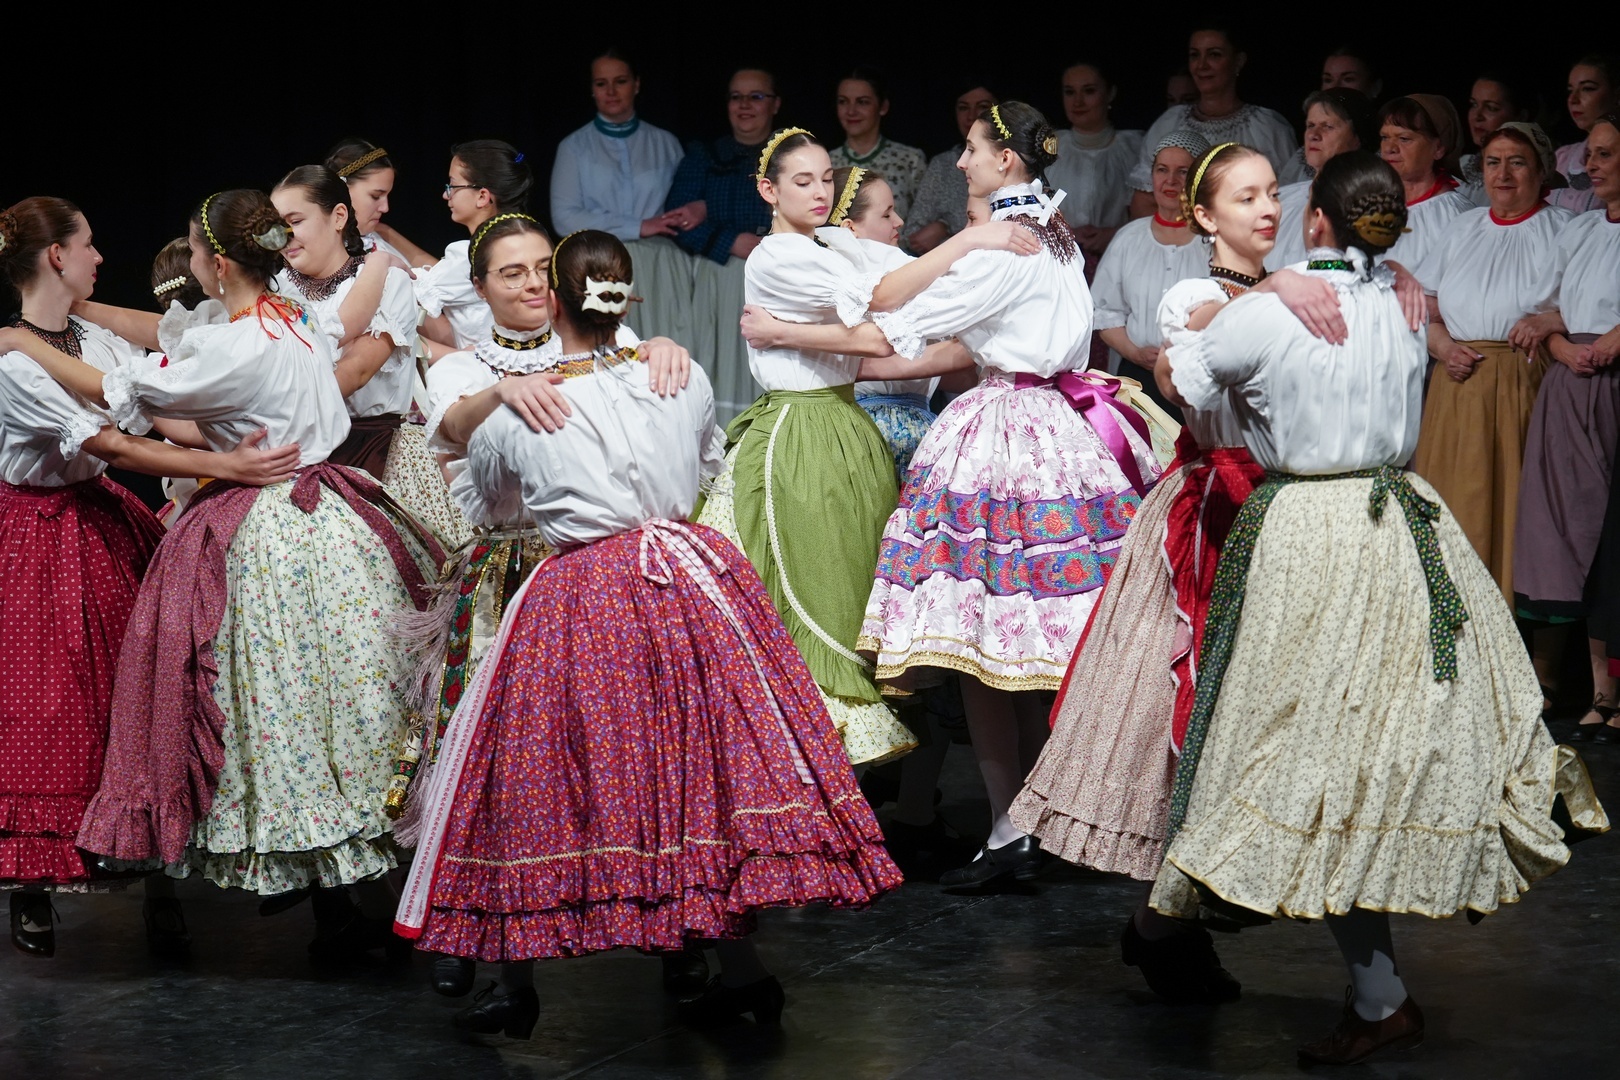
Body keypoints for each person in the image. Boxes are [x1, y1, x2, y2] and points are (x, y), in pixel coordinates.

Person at [1150, 149, 1605, 1067]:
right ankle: (1373, 988)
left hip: (1311, 533)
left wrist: (1260, 294)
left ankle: (1368, 987)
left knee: (1308, 751)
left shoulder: (1280, 310)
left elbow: (1182, 380)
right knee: (1363, 752)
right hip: (1400, 522)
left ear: (1316, 220)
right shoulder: (1407, 304)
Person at [394, 230, 902, 1036]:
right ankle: (740, 971)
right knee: (695, 770)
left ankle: (518, 977)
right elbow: (704, 466)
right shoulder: (680, 373)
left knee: (533, 771)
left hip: (584, 589)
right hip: (686, 577)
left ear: (557, 301)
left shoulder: (529, 410)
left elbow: (488, 503)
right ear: (622, 298)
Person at [1011, 143, 1408, 1002]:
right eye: (1243, 197)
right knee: (1196, 719)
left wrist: (1384, 277)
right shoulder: (1199, 293)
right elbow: (1189, 367)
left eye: (1271, 194)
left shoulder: (1303, 289)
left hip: (1291, 509)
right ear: (1204, 216)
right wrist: (1280, 288)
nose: (1265, 209)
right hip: (1216, 516)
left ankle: (1163, 925)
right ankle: (1173, 921)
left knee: (1273, 724)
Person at [17, 189, 443, 960]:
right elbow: (174, 406)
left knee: (276, 698)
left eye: (194, 252)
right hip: (337, 511)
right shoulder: (295, 318)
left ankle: (338, 887)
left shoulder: (232, 344)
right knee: (342, 691)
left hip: (270, 525)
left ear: (216, 263)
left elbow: (126, 395)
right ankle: (357, 890)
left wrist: (20, 344)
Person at [855, 103, 1164, 890]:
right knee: (1026, 651)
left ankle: (1010, 827)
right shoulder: (1054, 233)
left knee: (986, 645)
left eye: (971, 149)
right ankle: (1038, 818)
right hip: (1059, 426)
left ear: (1007, 160)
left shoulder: (1004, 243)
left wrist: (800, 336)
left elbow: (894, 313)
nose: (961, 163)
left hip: (1008, 433)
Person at [0, 197, 301, 958]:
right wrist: (224, 465)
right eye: (88, 244)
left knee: (138, 695)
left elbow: (156, 409)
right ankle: (33, 882)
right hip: (35, 535)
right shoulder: (12, 363)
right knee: (46, 702)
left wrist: (235, 437)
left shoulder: (90, 337)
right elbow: (114, 444)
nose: (100, 257)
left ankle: (157, 876)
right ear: (57, 256)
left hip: (101, 521)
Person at [697, 127, 1030, 768]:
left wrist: (787, 331)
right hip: (801, 430)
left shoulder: (832, 244)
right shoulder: (777, 256)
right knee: (809, 591)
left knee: (854, 592)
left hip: (847, 426)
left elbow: (903, 287)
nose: (820, 192)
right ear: (768, 190)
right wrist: (968, 238)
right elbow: (880, 328)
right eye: (802, 181)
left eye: (826, 178)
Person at [1412, 123, 1573, 604]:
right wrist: (1443, 347)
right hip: (1456, 384)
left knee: (1514, 506)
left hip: (1524, 380)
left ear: (1541, 171)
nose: (1503, 174)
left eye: (1517, 163)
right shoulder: (1464, 227)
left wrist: (1550, 321)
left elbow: (1593, 308)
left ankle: (1513, 622)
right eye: (1493, 163)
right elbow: (1425, 307)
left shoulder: (1564, 229)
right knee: (1456, 503)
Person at [270, 166, 468, 550]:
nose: (284, 236)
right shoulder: (274, 290)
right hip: (295, 452)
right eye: (276, 226)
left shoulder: (387, 280)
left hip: (375, 452)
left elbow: (356, 370)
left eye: (295, 221)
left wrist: (272, 404)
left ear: (338, 217)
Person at [1510, 114, 1620, 741]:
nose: (1591, 165)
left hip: (1612, 382)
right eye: (1592, 154)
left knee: (1613, 535)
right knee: (1574, 534)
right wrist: (1560, 346)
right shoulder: (1581, 231)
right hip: (1572, 382)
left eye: (1605, 154)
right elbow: (1549, 312)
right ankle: (1599, 689)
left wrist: (1609, 341)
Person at [550, 49, 692, 347]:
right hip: (599, 264)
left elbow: (685, 203)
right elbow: (564, 216)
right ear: (592, 89)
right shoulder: (574, 147)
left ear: (636, 84)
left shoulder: (665, 143)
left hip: (660, 265)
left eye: (621, 81)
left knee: (667, 345)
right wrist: (638, 226)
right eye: (601, 83)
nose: (611, 91)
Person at [663, 68, 780, 422]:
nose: (745, 105)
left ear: (775, 104)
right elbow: (676, 220)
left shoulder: (788, 156)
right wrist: (730, 240)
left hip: (775, 279)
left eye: (755, 97)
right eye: (736, 97)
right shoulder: (706, 155)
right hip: (717, 283)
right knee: (721, 364)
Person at [1091, 130, 1212, 403]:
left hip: (1200, 381)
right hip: (1138, 379)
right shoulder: (1129, 238)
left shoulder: (1216, 241)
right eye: (1162, 170)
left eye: (1183, 172)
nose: (1171, 181)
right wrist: (1134, 353)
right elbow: (1105, 312)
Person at [1129, 26, 1297, 218]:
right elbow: (1143, 202)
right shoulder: (1169, 123)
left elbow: (1290, 201)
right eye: (1195, 55)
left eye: (1214, 55)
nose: (1201, 65)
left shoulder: (1268, 128)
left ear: (1238, 61)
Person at [414, 140, 533, 361]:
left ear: (482, 196)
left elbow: (400, 297)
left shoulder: (471, 255)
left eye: (453, 185)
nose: (446, 195)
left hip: (485, 372)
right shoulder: (527, 242)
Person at [1046, 62, 1144, 264]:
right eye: (1070, 92)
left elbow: (1151, 214)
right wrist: (1064, 233)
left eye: (1089, 91)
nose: (1078, 102)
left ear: (1110, 93)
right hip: (1057, 263)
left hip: (1123, 260)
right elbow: (1032, 214)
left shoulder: (1135, 148)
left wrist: (1116, 234)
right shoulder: (1048, 148)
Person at [1267, 88, 1373, 270]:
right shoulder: (1282, 199)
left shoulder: (1371, 205)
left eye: (1328, 127)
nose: (1313, 135)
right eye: (1310, 125)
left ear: (1357, 137)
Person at [1376, 95, 1473, 279]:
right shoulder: (1370, 205)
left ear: (1438, 148)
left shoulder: (1457, 218)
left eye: (1404, 138)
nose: (1389, 148)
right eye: (1385, 137)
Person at [903, 83, 997, 254]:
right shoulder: (944, 164)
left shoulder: (1011, 162)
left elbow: (1006, 229)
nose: (972, 116)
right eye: (963, 108)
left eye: (982, 107)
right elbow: (914, 237)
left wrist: (945, 227)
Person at [829, 68, 927, 220]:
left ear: (883, 107)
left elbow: (924, 219)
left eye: (862, 102)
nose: (851, 111)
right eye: (843, 101)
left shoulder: (909, 159)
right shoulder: (826, 163)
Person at [324, 139, 437, 268]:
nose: (385, 208)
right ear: (342, 189)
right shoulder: (315, 251)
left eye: (387, 196)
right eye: (375, 196)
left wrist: (386, 231)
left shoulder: (378, 239)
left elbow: (443, 275)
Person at [1550, 55, 1617, 214]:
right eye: (1570, 90)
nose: (1573, 99)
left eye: (1587, 88)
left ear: (1616, 94)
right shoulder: (1561, 157)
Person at [1459, 74, 1535, 206]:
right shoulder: (1461, 165)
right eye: (1474, 104)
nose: (1477, 116)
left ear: (1520, 116)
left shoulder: (1525, 174)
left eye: (1491, 108)